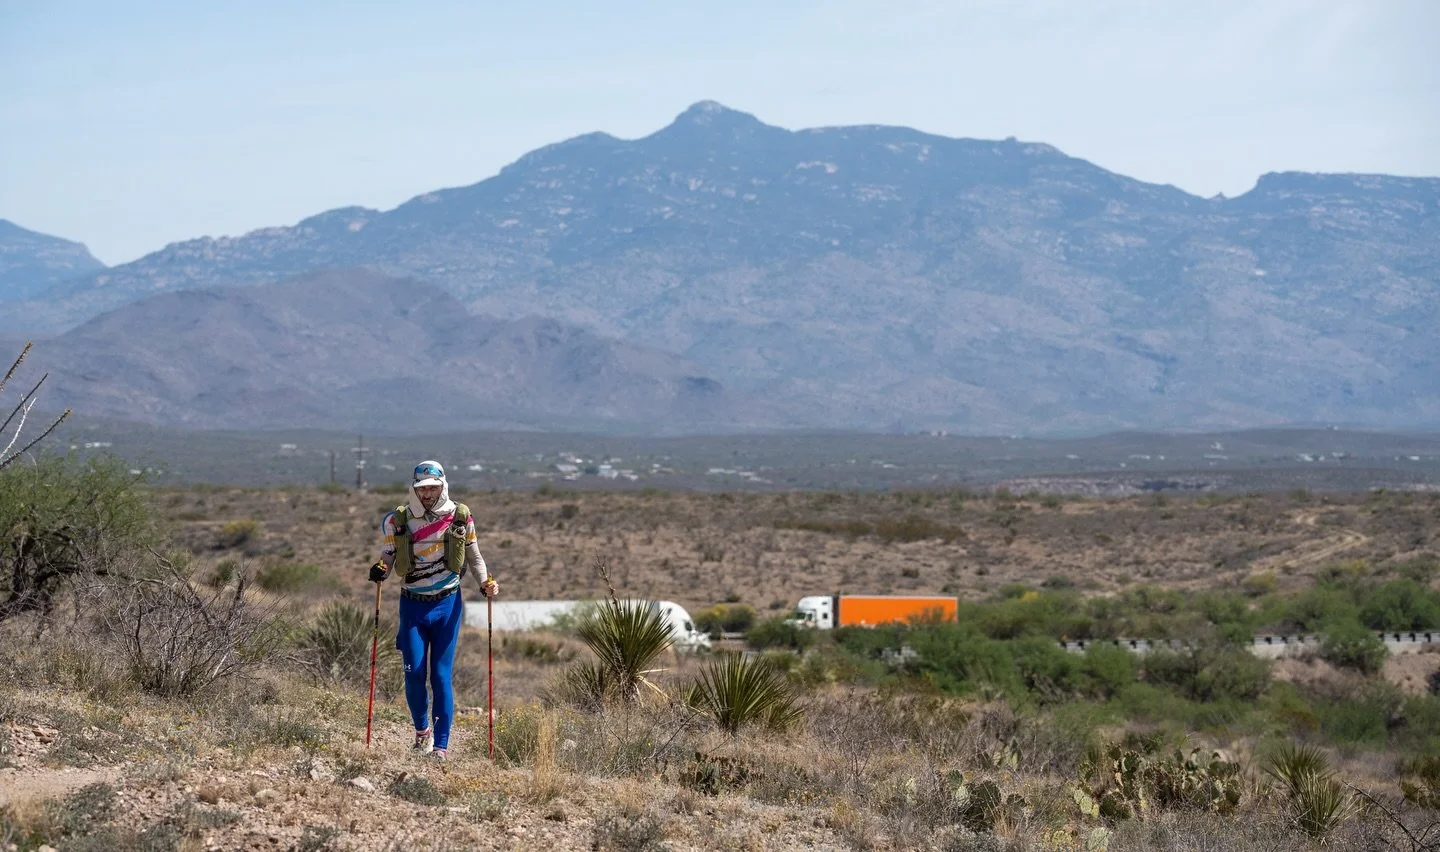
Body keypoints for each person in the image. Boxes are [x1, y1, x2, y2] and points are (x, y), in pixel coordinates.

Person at [370, 460, 498, 761]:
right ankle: (422, 732)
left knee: (441, 676)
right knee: (413, 672)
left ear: (443, 486)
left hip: (447, 605)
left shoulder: (460, 517)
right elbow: (388, 554)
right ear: (414, 489)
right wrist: (380, 569)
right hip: (412, 604)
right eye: (422, 489)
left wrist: (486, 582)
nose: (427, 493)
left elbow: (475, 557)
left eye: (432, 488)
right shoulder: (399, 520)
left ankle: (441, 747)